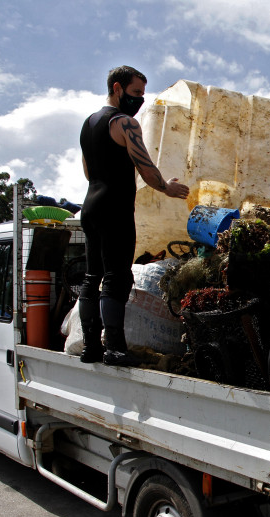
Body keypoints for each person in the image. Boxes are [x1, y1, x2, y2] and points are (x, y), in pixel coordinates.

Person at [79, 65, 189, 366]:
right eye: (136, 92)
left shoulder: (89, 124)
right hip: (115, 207)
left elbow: (88, 171)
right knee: (117, 276)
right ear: (118, 88)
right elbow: (145, 165)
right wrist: (166, 187)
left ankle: (91, 347)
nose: (140, 99)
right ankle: (114, 348)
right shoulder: (124, 122)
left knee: (92, 277)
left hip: (90, 205)